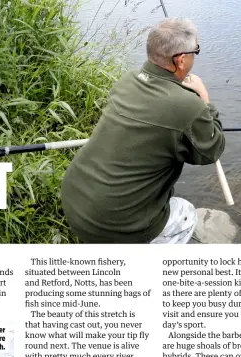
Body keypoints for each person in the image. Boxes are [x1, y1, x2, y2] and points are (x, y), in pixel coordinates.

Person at [61, 19, 225, 244]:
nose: (196, 56)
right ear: (181, 60)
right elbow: (211, 150)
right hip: (111, 227)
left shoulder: (127, 80)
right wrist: (204, 101)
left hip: (74, 201)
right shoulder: (189, 106)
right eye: (196, 50)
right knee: (186, 213)